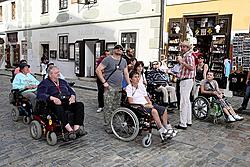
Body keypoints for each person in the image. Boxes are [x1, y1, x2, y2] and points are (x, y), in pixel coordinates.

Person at [37, 66, 87, 139]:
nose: (58, 74)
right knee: (59, 108)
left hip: (66, 101)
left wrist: (72, 97)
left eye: (58, 72)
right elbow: (40, 94)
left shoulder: (62, 81)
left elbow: (71, 90)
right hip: (53, 103)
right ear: (50, 74)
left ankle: (77, 129)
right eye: (56, 73)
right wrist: (52, 98)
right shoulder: (45, 83)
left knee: (80, 105)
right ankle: (70, 130)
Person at [126, 71, 177, 139]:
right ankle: (161, 129)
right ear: (130, 79)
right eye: (135, 77)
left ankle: (167, 127)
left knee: (163, 109)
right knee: (154, 111)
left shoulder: (141, 85)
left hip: (146, 104)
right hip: (138, 106)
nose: (137, 78)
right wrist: (144, 105)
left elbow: (146, 96)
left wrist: (150, 103)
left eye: (138, 77)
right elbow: (130, 101)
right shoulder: (129, 87)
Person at [96, 44, 130, 133]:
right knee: (108, 107)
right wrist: (104, 82)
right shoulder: (108, 59)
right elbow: (98, 70)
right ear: (114, 50)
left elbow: (126, 73)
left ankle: (115, 124)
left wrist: (129, 85)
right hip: (109, 87)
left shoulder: (123, 61)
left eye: (121, 49)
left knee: (116, 107)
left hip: (119, 87)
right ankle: (108, 126)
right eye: (117, 48)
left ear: (123, 51)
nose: (119, 50)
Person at [175, 40, 195, 130]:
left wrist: (181, 62)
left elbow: (191, 68)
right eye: (181, 46)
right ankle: (188, 120)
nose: (182, 48)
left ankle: (183, 123)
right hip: (187, 80)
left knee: (183, 101)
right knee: (187, 101)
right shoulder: (187, 55)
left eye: (184, 47)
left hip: (186, 81)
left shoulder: (189, 56)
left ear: (187, 48)